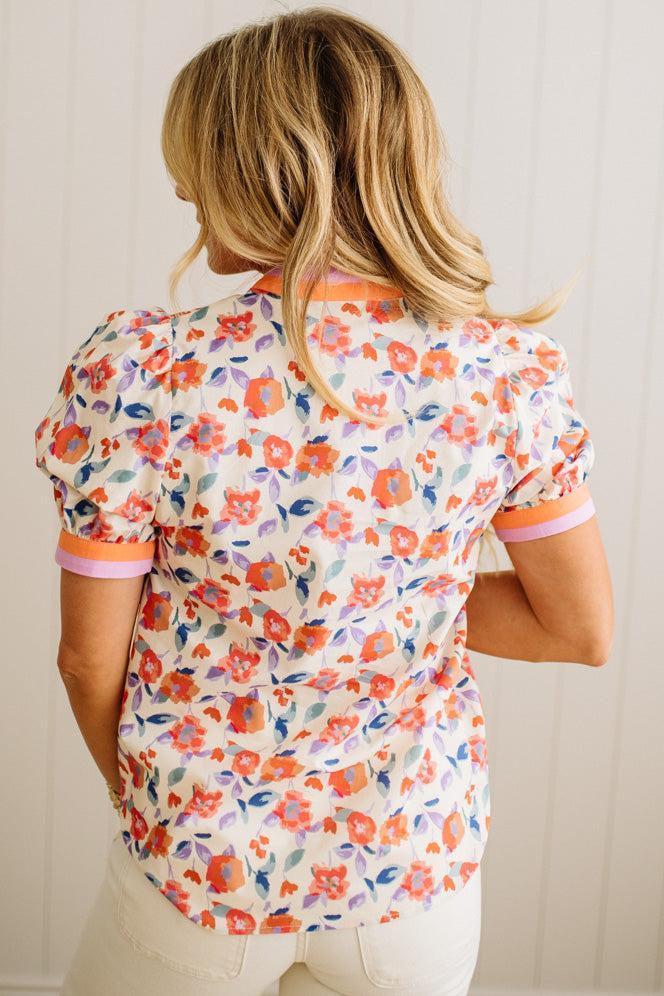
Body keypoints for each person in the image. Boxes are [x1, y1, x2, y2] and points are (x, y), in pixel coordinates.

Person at [33, 7, 614, 995]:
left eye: (193, 165)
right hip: (410, 883)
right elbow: (579, 630)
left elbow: (90, 658)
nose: (179, 186)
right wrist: (387, 593)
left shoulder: (143, 372)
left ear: (252, 169)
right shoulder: (505, 373)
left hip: (200, 872)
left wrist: (158, 807)